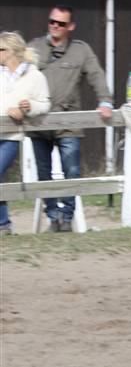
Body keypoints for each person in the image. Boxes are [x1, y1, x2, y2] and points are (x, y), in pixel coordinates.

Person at [28, 4, 113, 233]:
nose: (55, 26)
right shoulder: (33, 47)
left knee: (71, 171)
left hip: (69, 123)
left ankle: (67, 218)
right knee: (43, 173)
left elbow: (96, 75)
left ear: (71, 26)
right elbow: (16, 73)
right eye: (52, 21)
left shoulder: (81, 50)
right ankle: (53, 217)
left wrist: (105, 100)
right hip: (38, 122)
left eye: (61, 23)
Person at [0, 31, 51, 235]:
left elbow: (45, 104)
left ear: (11, 52)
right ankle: (3, 224)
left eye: (0, 49)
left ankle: (3, 224)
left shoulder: (35, 76)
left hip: (11, 136)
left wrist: (27, 107)